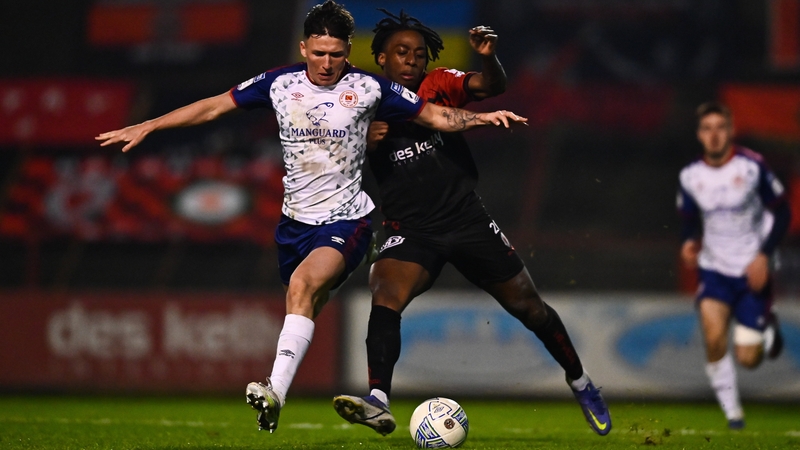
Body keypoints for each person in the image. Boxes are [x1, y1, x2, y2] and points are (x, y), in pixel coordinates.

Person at [95, 0, 527, 434]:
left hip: (347, 221)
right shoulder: (278, 84)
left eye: (336, 54)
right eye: (319, 53)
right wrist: (149, 125)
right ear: (304, 48)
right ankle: (280, 397)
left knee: (303, 287)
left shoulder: (370, 88)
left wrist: (479, 118)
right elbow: (213, 106)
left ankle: (275, 391)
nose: (327, 63)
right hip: (294, 225)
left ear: (348, 51)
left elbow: (434, 115)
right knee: (306, 302)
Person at [331, 9, 611, 437]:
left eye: (418, 54)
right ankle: (378, 401)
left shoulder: (438, 84)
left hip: (466, 218)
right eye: (400, 52)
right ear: (381, 58)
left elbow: (491, 85)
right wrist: (358, 137)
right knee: (385, 293)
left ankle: (580, 381)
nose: (411, 60)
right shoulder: (357, 101)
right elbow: (326, 154)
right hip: (411, 230)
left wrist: (488, 57)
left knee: (528, 306)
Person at [677, 101, 791, 429]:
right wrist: (688, 242)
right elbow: (687, 220)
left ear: (731, 130)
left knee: (748, 359)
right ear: (700, 135)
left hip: (751, 269)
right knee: (713, 339)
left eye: (720, 128)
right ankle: (733, 414)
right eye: (707, 129)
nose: (714, 135)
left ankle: (767, 323)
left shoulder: (752, 167)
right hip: (714, 269)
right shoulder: (690, 176)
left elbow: (782, 212)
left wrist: (764, 256)